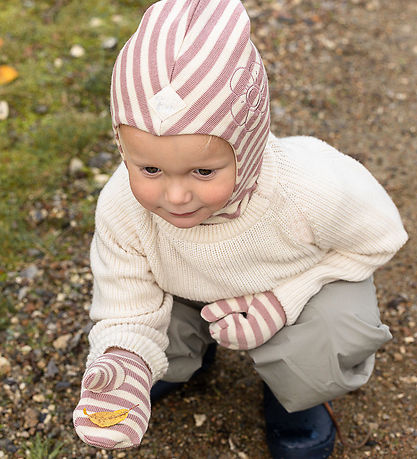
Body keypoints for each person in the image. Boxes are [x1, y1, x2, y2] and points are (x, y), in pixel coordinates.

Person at [72, 0, 408, 457]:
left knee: (335, 328)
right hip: (186, 291)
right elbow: (126, 301)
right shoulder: (122, 205)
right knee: (143, 327)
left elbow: (381, 237)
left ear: (246, 149)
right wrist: (123, 360)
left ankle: (298, 395)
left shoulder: (309, 186)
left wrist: (284, 301)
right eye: (149, 169)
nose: (174, 196)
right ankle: (166, 364)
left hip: (292, 289)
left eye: (203, 172)